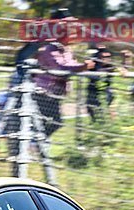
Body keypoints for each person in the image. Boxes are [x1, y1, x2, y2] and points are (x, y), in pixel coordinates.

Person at [34, 9, 94, 137]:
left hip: (55, 92)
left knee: (48, 122)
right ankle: (34, 142)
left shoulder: (66, 49)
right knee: (53, 122)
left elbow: (70, 63)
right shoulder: (49, 48)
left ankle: (36, 143)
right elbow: (60, 68)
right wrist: (82, 67)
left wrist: (83, 66)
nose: (72, 32)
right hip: (44, 92)